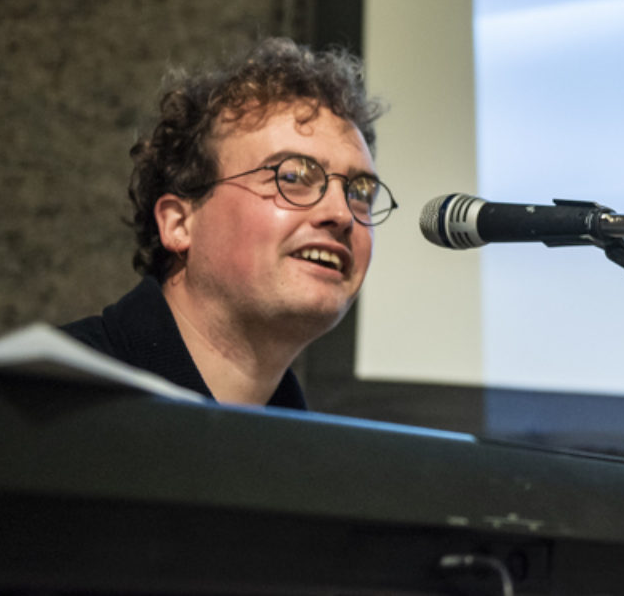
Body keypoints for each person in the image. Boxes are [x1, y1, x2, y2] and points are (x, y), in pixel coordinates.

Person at [61, 37, 390, 406]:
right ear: (179, 223)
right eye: (293, 177)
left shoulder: (313, 456)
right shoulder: (46, 399)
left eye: (360, 192)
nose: (343, 215)